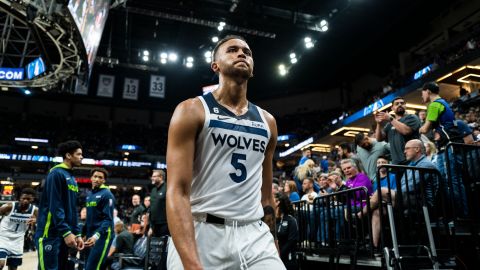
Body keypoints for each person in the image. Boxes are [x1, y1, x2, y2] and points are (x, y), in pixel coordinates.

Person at [166, 35, 284, 270]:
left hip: (254, 235)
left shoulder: (267, 122)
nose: (242, 54)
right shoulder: (191, 110)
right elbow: (177, 191)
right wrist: (191, 263)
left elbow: (266, 196)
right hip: (202, 230)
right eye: (232, 50)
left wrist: (274, 245)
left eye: (247, 52)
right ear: (215, 65)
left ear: (252, 68)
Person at [419, 81, 467, 216]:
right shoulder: (442, 103)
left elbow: (425, 128)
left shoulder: (435, 104)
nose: (421, 96)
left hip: (449, 146)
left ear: (427, 91)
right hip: (445, 148)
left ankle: (462, 216)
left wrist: (419, 128)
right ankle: (456, 215)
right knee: (447, 181)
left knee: (453, 181)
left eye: (422, 92)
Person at [35, 140, 85, 270]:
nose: (81, 157)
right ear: (68, 156)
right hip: (50, 233)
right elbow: (55, 206)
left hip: (64, 234)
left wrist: (77, 233)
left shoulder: (72, 178)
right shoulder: (56, 173)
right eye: (79, 154)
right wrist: (66, 232)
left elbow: (72, 209)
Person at [84, 167, 115, 270]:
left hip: (102, 236)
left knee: (93, 267)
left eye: (100, 177)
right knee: (86, 266)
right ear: (91, 178)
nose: (97, 179)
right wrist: (83, 234)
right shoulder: (89, 195)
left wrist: (96, 236)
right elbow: (88, 218)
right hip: (90, 235)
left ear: (104, 180)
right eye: (95, 176)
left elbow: (108, 219)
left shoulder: (107, 194)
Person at [375, 96, 421, 164]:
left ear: (405, 106)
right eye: (397, 104)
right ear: (392, 108)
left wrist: (390, 118)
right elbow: (379, 138)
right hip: (396, 163)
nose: (400, 105)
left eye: (402, 103)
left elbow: (406, 131)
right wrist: (378, 124)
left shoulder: (412, 117)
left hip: (411, 161)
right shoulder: (389, 124)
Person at [0, 188, 37, 270]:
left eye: (28, 199)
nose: (25, 201)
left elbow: (44, 220)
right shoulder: (9, 206)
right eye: (23, 198)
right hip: (3, 237)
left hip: (18, 240)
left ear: (32, 199)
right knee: (1, 263)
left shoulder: (35, 210)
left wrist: (36, 220)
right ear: (19, 198)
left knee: (13, 267)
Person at [274, 193, 299, 270]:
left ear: (278, 203)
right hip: (275, 258)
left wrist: (279, 253)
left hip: (288, 259)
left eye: (273, 199)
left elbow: (291, 241)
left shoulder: (291, 220)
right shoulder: (273, 220)